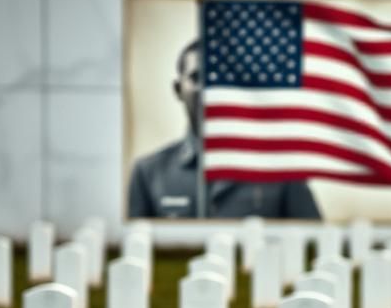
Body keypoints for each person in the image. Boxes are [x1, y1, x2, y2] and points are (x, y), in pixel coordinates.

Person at [127, 39, 320, 220]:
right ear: (178, 89)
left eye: (222, 77)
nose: (211, 88)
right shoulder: (149, 173)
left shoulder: (283, 171)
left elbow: (314, 247)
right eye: (198, 77)